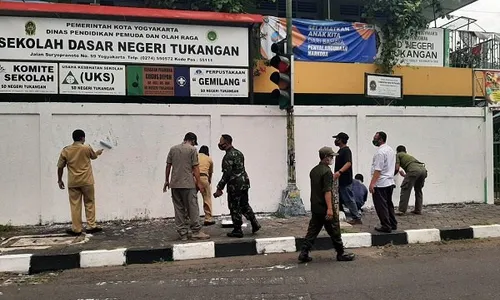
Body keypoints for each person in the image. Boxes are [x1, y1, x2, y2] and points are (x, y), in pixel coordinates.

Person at [298, 146, 355, 263]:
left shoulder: (314, 171)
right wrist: (330, 208)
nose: (332, 159)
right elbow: (327, 191)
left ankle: (304, 252)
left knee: (312, 230)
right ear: (326, 158)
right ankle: (341, 253)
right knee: (335, 230)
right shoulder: (327, 172)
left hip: (315, 206)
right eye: (331, 157)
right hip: (325, 206)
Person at [163, 132, 210, 241]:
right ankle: (196, 231)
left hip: (174, 184)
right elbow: (196, 168)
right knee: (192, 207)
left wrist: (166, 181)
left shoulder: (173, 149)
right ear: (192, 141)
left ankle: (183, 233)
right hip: (188, 184)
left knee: (179, 209)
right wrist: (199, 183)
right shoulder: (192, 150)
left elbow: (168, 166)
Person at [57, 129, 104, 236]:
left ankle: (76, 228)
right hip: (87, 181)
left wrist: (59, 180)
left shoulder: (66, 150)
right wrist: (98, 152)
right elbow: (94, 156)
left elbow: (60, 166)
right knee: (89, 203)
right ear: (82, 138)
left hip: (73, 182)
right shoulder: (86, 148)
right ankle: (91, 226)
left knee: (75, 205)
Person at [214, 134, 261, 238]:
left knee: (234, 206)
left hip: (235, 185)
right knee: (244, 205)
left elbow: (227, 174)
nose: (219, 144)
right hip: (244, 182)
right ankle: (254, 223)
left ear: (226, 143)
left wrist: (219, 188)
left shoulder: (228, 156)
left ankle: (237, 230)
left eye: (221, 142)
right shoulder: (239, 153)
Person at [369, 131, 397, 233]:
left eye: (375, 138)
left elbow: (378, 170)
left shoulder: (380, 153)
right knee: (389, 204)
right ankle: (392, 223)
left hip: (381, 183)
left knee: (381, 206)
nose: (374, 140)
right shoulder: (390, 150)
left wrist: (372, 183)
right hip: (389, 181)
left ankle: (385, 225)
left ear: (380, 139)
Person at [332, 132, 362, 225]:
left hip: (345, 180)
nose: (335, 141)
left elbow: (348, 163)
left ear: (340, 140)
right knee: (341, 198)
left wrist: (339, 172)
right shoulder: (341, 151)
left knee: (349, 199)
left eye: (337, 139)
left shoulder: (346, 151)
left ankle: (356, 217)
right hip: (341, 180)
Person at [395, 145, 428, 215]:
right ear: (405, 151)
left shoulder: (398, 155)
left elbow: (397, 168)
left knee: (405, 189)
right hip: (423, 170)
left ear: (397, 151)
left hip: (413, 171)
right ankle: (418, 209)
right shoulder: (409, 157)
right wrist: (404, 175)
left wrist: (392, 174)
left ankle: (401, 210)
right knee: (418, 190)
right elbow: (412, 173)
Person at [198, 145, 215, 225]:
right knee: (206, 198)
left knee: (191, 199)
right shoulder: (209, 159)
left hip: (193, 177)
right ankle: (208, 218)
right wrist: (209, 181)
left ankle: (189, 218)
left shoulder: (195, 156)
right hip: (204, 177)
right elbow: (210, 173)